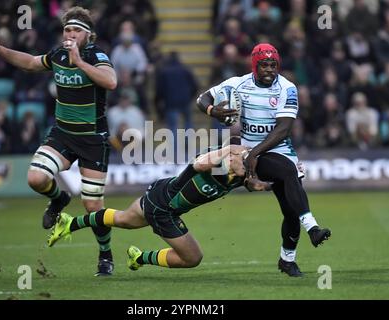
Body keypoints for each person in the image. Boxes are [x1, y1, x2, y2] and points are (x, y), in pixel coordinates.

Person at [0, 7, 117, 276]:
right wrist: (0, 50)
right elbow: (29, 63)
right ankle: (59, 198)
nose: (71, 34)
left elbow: (111, 82)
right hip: (62, 133)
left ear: (89, 35)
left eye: (76, 30)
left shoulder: (96, 56)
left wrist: (80, 62)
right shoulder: (58, 55)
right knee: (36, 179)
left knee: (92, 206)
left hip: (92, 139)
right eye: (67, 30)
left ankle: (105, 254)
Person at [196, 43, 331, 277]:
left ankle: (287, 261)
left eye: (273, 65)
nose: (269, 69)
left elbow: (283, 129)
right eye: (264, 65)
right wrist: (212, 111)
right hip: (246, 150)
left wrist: (255, 153)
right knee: (288, 173)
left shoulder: (287, 88)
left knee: (290, 212)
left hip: (275, 149)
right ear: (254, 65)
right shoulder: (238, 83)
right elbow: (202, 98)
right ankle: (313, 228)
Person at [47, 144, 272, 270]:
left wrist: (276, 181)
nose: (247, 163)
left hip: (159, 192)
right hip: (163, 208)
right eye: (242, 159)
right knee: (193, 258)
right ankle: (141, 258)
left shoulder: (240, 174)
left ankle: (70, 223)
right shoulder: (215, 165)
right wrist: (227, 151)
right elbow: (199, 163)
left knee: (123, 219)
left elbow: (254, 182)